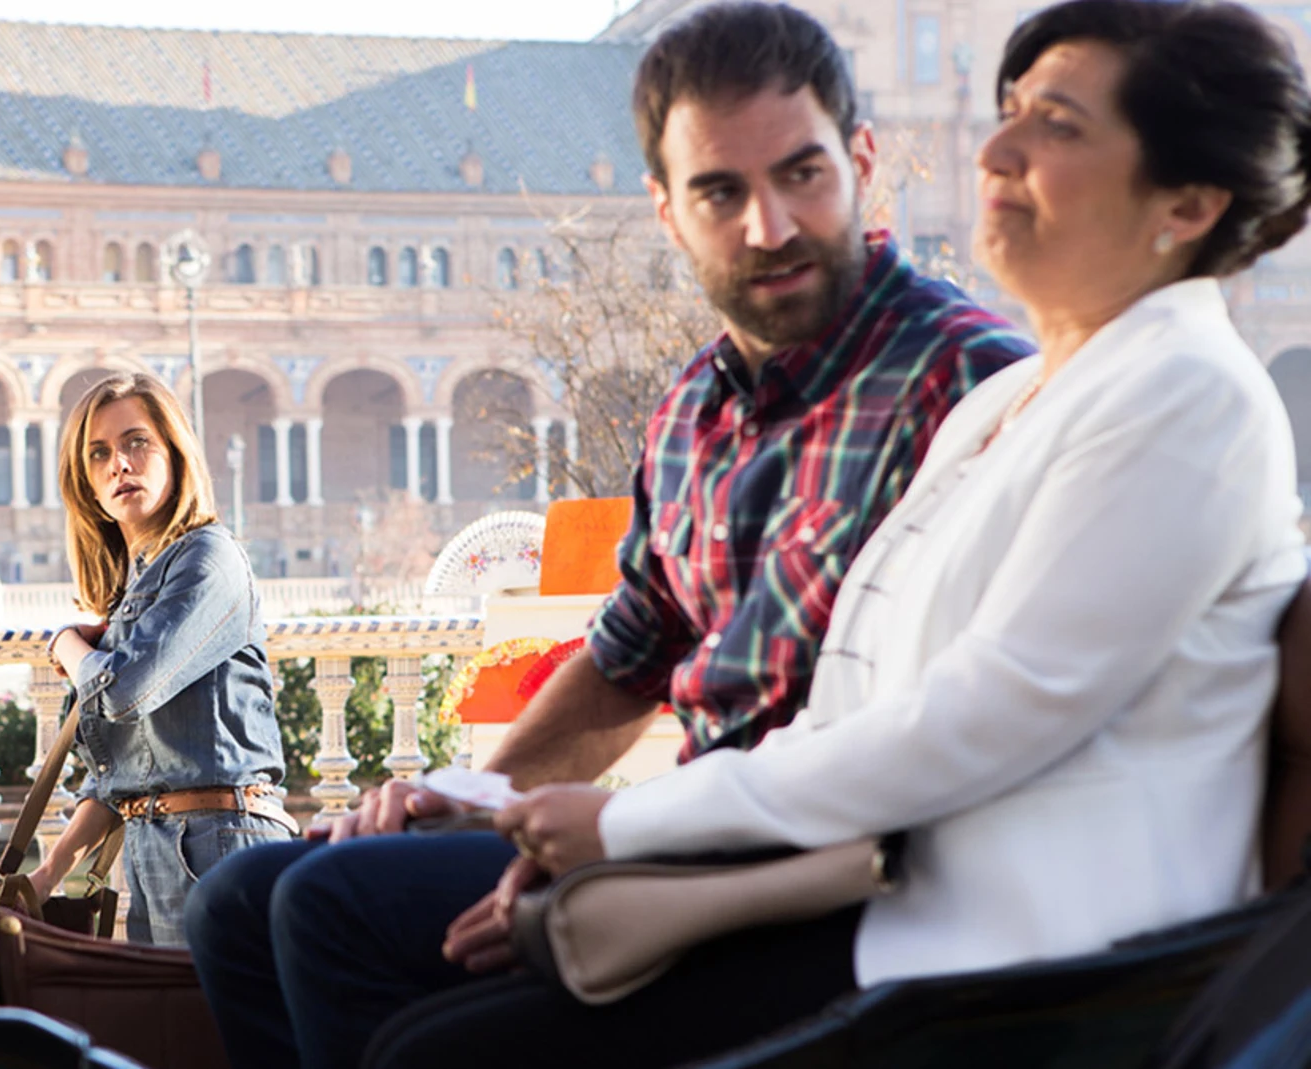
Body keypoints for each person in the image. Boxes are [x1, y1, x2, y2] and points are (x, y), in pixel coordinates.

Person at [360, 1, 1311, 1065]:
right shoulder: (1010, 403)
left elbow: (978, 717)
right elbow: (855, 697)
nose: (992, 149)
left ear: (1184, 203)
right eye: (1007, 111)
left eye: (1055, 124)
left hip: (1044, 984)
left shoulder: (1186, 395)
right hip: (901, 925)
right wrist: (589, 820)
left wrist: (623, 829)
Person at [183, 5, 1033, 1068]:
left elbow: (977, 724)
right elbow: (628, 656)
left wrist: (624, 845)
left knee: (333, 913)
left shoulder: (969, 380)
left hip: (829, 875)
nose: (768, 225)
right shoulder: (692, 412)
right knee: (234, 899)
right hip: (680, 836)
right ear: (667, 211)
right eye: (721, 191)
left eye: (801, 174)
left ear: (862, 163)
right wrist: (473, 795)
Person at [27, 372, 294, 946]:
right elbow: (117, 778)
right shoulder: (133, 591)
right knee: (171, 1031)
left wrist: (66, 645)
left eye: (136, 442)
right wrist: (49, 874)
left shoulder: (208, 559)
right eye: (99, 454)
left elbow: (125, 692)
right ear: (86, 485)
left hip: (220, 841)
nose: (119, 463)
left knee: (219, 1033)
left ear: (174, 453)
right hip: (153, 850)